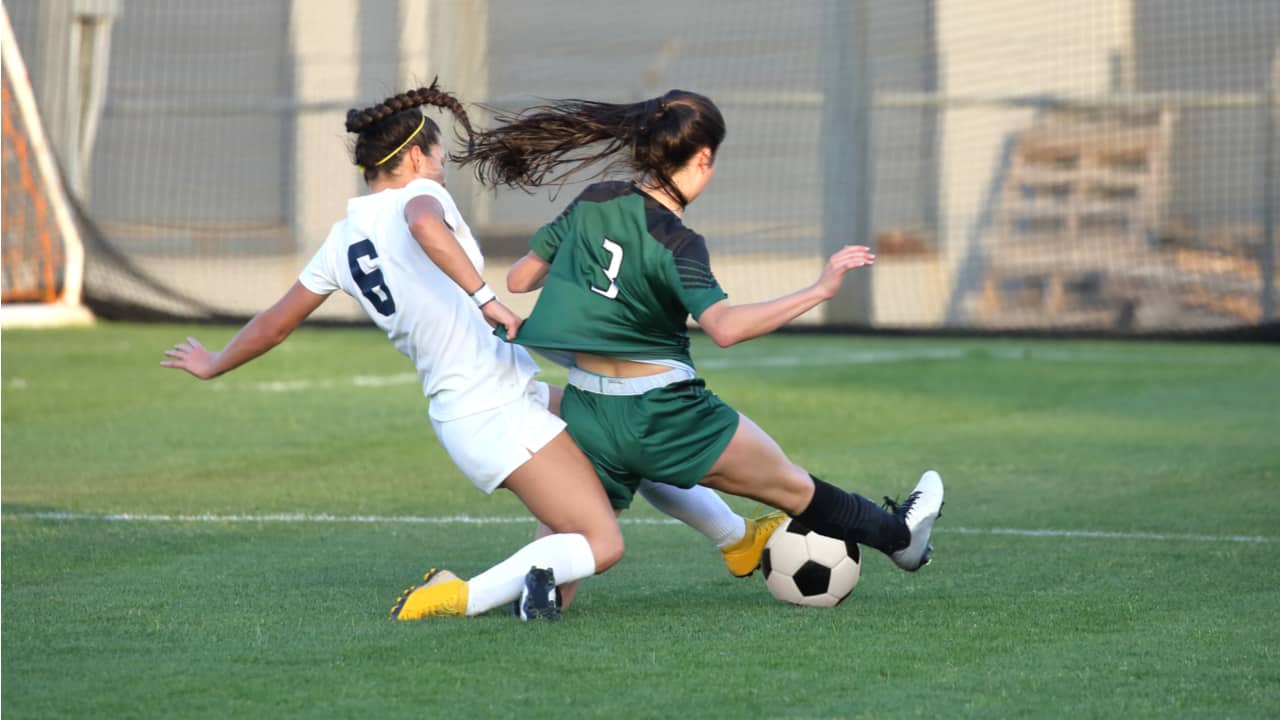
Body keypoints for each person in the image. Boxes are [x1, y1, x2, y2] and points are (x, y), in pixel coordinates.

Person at [159, 83, 781, 622]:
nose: (443, 166)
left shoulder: (341, 239)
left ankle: (736, 541)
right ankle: (456, 596)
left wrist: (216, 362)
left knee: (626, 439)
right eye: (438, 155)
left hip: (494, 398)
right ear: (413, 158)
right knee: (601, 543)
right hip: (490, 412)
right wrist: (486, 299)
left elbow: (273, 323)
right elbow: (426, 226)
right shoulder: (417, 198)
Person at [460, 89, 944, 572]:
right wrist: (818, 290)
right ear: (703, 158)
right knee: (791, 487)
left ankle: (515, 591)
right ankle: (899, 538)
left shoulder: (596, 198)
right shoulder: (679, 242)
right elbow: (726, 328)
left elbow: (521, 279)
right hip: (665, 414)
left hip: (589, 410)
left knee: (570, 550)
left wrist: (581, 260)